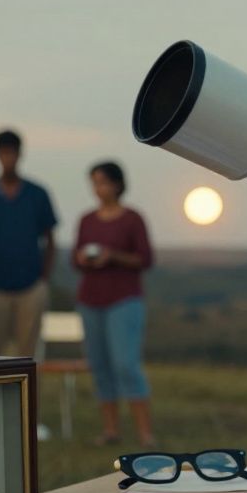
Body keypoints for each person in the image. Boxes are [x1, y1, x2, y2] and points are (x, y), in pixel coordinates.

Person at [72, 161, 156, 447]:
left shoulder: (133, 219)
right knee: (100, 365)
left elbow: (145, 259)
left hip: (124, 300)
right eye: (95, 182)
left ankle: (145, 434)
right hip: (90, 299)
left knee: (125, 364)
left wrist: (113, 256)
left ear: (118, 184)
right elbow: (74, 259)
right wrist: (83, 258)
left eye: (104, 182)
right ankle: (111, 431)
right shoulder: (87, 220)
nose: (99, 188)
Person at [0, 129, 58, 356]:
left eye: (12, 153)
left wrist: (43, 279)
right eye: (3, 153)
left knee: (29, 356)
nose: (8, 159)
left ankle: (28, 393)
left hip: (30, 286)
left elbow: (50, 239)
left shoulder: (37, 194)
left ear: (20, 154)